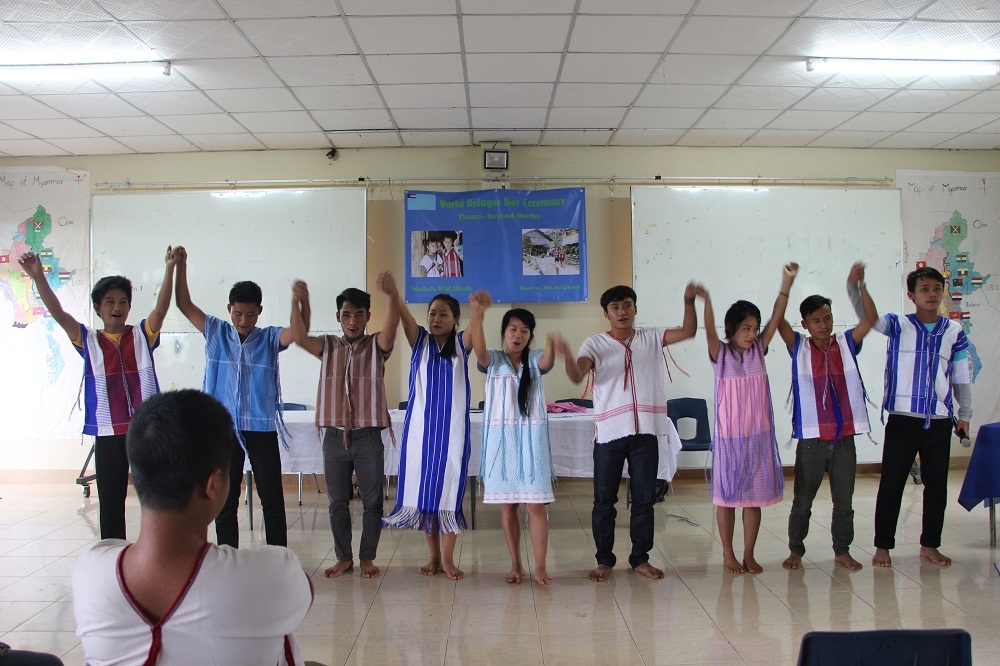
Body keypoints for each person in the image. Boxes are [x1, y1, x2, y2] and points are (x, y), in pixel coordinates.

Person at [72, 390, 313, 666]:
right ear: (213, 485)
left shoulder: (90, 570)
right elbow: (304, 596)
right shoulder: (270, 572)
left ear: (137, 476)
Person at [18, 248, 177, 540]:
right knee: (111, 500)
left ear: (129, 307)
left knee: (156, 497)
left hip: (146, 430)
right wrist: (39, 277)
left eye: (123, 302)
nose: (117, 307)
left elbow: (162, 308)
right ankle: (112, 552)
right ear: (98, 308)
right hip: (107, 431)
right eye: (110, 302)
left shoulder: (142, 334)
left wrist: (169, 269)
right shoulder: (88, 339)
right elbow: (58, 313)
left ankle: (157, 549)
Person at [562, 283, 699, 582]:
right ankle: (604, 560)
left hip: (646, 432)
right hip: (610, 433)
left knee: (644, 499)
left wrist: (688, 300)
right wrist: (567, 357)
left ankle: (640, 558)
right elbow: (578, 373)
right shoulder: (595, 343)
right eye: (615, 307)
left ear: (635, 308)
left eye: (627, 305)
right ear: (606, 313)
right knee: (604, 501)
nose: (621, 311)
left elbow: (689, 331)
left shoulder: (651, 338)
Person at [174, 247, 296, 548]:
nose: (243, 320)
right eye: (238, 314)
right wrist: (181, 266)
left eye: (250, 314)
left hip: (261, 427)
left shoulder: (269, 337)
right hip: (224, 429)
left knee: (271, 496)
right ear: (229, 308)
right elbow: (184, 304)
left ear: (260, 311)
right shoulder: (216, 332)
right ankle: (228, 554)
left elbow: (296, 332)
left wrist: (299, 302)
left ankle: (278, 555)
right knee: (224, 499)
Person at [854, 266, 973, 568]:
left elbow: (960, 376)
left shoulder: (954, 332)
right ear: (911, 295)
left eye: (937, 289)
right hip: (903, 420)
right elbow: (869, 317)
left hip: (939, 421)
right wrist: (860, 286)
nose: (932, 294)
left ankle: (930, 545)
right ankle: (883, 546)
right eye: (924, 289)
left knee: (936, 487)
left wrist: (965, 414)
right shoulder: (898, 324)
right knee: (892, 484)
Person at [290, 273, 400, 579]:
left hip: (368, 438)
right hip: (334, 437)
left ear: (368, 317)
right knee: (337, 502)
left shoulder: (376, 345)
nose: (353, 321)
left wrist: (393, 296)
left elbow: (391, 331)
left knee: (372, 501)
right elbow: (298, 336)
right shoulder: (327, 345)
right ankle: (343, 557)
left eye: (359, 315)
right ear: (338, 316)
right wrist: (299, 302)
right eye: (347, 315)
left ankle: (367, 557)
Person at [779, 263, 878, 572]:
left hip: (844, 438)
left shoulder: (846, 343)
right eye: (816, 320)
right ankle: (796, 550)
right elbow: (777, 320)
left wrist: (860, 286)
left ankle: (842, 550)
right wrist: (787, 283)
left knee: (844, 502)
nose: (823, 325)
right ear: (805, 324)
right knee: (802, 502)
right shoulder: (798, 346)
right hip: (811, 440)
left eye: (827, 318)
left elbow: (870, 319)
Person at [703, 263, 796, 574]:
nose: (752, 334)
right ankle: (728, 555)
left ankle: (748, 554)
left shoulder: (758, 350)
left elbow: (777, 314)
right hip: (729, 441)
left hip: (758, 439)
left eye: (755, 328)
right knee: (727, 499)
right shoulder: (720, 355)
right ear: (731, 328)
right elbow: (709, 329)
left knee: (753, 500)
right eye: (746, 328)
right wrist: (706, 302)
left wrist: (786, 282)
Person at [467, 291, 557, 585]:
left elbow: (548, 362)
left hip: (532, 441)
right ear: (504, 332)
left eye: (524, 331)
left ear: (530, 336)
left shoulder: (536, 358)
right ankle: (516, 565)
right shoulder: (493, 360)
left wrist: (554, 345)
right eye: (513, 329)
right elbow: (478, 348)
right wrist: (477, 313)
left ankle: (540, 567)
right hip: (501, 442)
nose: (518, 335)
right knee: (508, 506)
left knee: (535, 505)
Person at [382, 292, 472, 580]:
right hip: (420, 434)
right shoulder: (419, 340)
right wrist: (393, 293)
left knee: (448, 495)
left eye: (443, 314)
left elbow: (474, 331)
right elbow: (406, 317)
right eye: (432, 313)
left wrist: (481, 310)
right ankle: (433, 557)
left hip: (452, 434)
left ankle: (447, 559)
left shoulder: (461, 344)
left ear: (456, 319)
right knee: (427, 495)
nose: (436, 318)